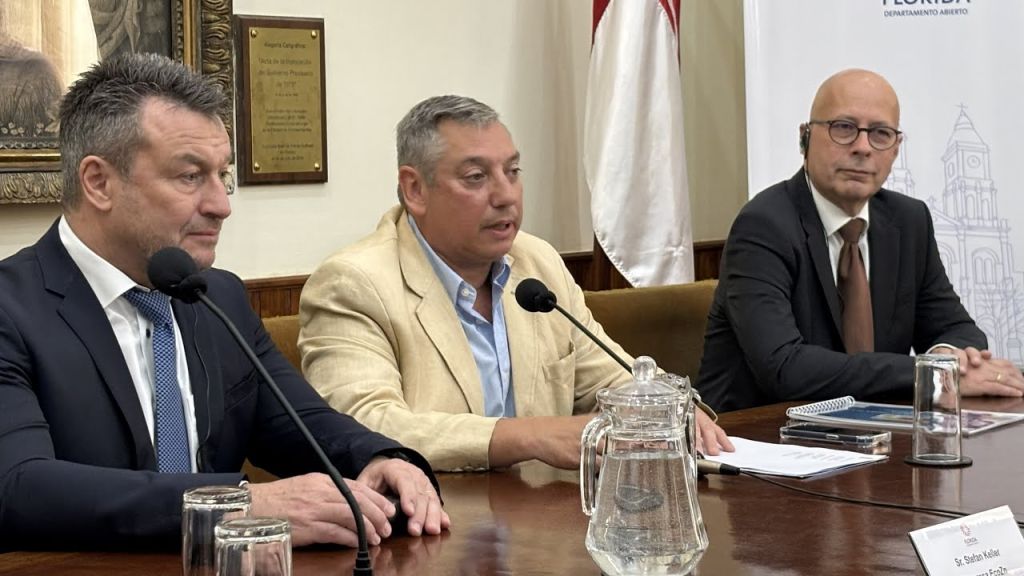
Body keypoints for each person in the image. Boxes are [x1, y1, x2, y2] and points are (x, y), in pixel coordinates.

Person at [0, 53, 448, 551]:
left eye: (222, 175)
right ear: (99, 182)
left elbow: (297, 423)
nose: (221, 205)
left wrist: (380, 458)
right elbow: (19, 489)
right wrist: (237, 504)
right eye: (190, 176)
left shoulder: (218, 296)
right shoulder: (11, 310)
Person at [299, 95, 732, 472]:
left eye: (513, 171)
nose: (506, 195)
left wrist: (664, 406)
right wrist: (531, 436)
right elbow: (364, 426)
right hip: (431, 523)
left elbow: (610, 377)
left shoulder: (536, 263)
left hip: (544, 518)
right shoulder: (354, 283)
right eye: (476, 177)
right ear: (415, 190)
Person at [698, 68, 1024, 412]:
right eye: (844, 128)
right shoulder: (763, 225)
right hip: (759, 432)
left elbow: (958, 329)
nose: (863, 147)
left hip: (877, 429)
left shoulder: (908, 220)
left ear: (896, 150)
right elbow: (783, 367)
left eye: (881, 133)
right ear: (805, 138)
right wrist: (932, 375)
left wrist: (946, 359)